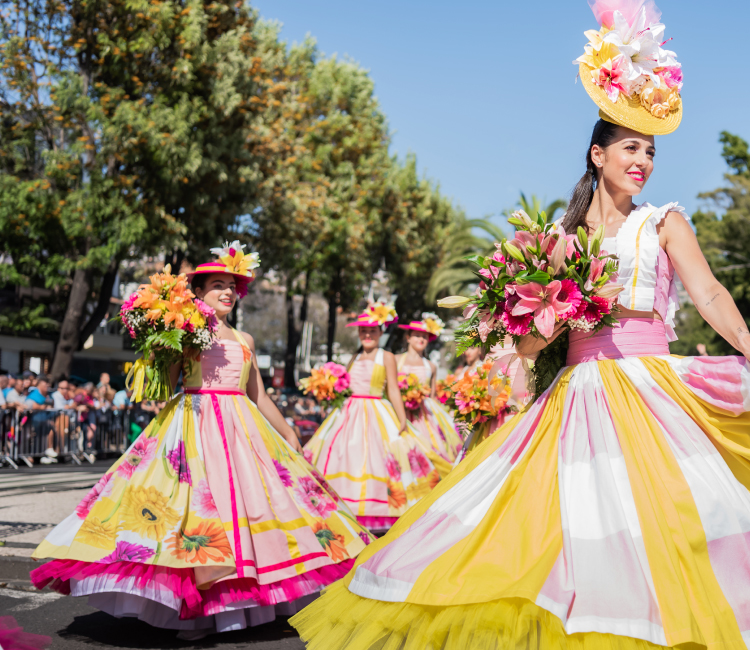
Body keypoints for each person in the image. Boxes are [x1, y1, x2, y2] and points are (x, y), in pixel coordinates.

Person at [291, 6, 750, 649]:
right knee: (564, 537)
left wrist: (749, 345)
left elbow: (707, 290)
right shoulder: (557, 241)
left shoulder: (664, 221)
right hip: (573, 400)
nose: (642, 160)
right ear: (596, 152)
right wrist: (550, 312)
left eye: (651, 149)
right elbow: (528, 345)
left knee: (668, 531)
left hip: (651, 392)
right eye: (630, 146)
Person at [32, 242, 370, 639]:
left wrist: (288, 430)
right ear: (200, 292)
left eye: (232, 286)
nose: (227, 291)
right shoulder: (188, 330)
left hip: (242, 430)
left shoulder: (245, 338)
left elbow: (257, 394)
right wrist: (159, 341)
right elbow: (165, 382)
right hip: (193, 424)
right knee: (193, 513)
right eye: (218, 285)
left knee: (256, 510)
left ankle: (240, 598)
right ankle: (192, 607)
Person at [304, 302, 438, 534]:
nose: (367, 334)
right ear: (358, 334)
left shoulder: (386, 356)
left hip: (376, 411)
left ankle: (374, 512)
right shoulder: (353, 357)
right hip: (348, 412)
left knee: (375, 458)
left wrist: (401, 418)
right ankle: (343, 509)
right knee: (344, 455)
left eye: (372, 330)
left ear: (381, 332)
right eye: (363, 331)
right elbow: (345, 386)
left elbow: (394, 389)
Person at [396, 317, 462, 476]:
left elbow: (431, 397)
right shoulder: (396, 360)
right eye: (417, 335)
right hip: (399, 412)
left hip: (422, 416)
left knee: (428, 451)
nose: (421, 339)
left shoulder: (430, 366)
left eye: (424, 336)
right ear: (408, 337)